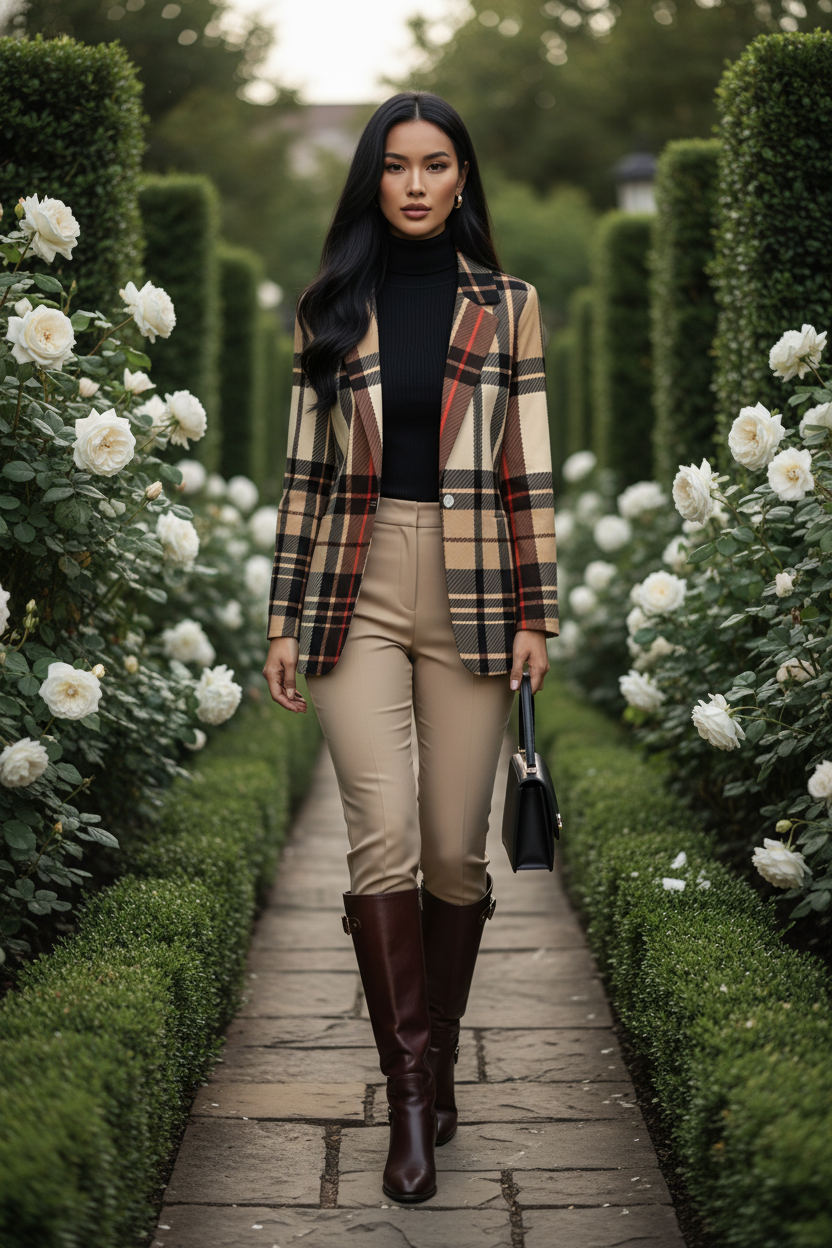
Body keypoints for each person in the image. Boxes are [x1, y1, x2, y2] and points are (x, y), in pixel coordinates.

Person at [263, 91, 558, 1205]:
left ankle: (435, 1068)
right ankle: (409, 1101)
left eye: (436, 164)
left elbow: (527, 465)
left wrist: (537, 613)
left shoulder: (510, 306)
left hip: (478, 589)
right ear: (373, 180)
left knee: (453, 855)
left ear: (463, 176)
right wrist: (282, 619)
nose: (418, 184)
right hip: (355, 586)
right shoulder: (330, 305)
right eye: (397, 166)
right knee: (379, 841)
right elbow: (303, 473)